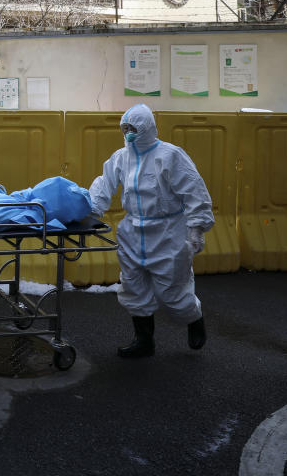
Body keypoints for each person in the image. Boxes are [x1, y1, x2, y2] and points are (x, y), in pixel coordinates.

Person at [88, 103, 213, 359]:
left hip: (168, 232)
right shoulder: (121, 157)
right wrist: (90, 211)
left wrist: (197, 228)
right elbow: (104, 184)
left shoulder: (170, 155)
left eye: (133, 127)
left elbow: (194, 191)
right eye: (125, 128)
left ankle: (194, 318)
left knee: (172, 291)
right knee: (132, 287)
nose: (129, 132)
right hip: (133, 231)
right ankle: (144, 341)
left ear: (146, 128)